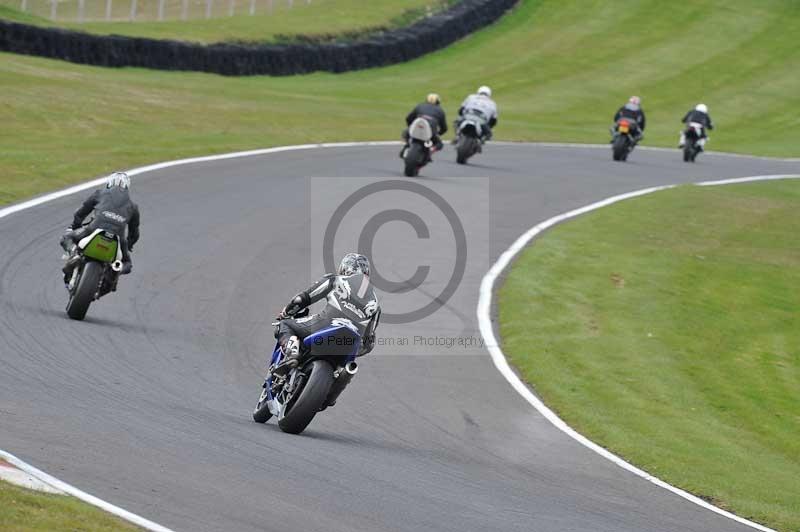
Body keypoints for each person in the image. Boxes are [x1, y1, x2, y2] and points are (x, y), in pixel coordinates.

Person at [275, 253, 381, 370]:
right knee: (344, 369)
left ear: (344, 268)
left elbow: (301, 299)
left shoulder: (336, 279)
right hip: (350, 343)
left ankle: (293, 352)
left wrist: (286, 313)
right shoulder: (375, 303)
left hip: (327, 324)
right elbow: (368, 342)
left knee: (284, 324)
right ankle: (342, 373)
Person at [60, 172, 140, 281]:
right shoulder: (133, 207)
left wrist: (75, 226)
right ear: (127, 187)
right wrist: (128, 246)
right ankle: (116, 270)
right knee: (127, 264)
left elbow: (80, 213)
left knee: (66, 237)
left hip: (93, 229)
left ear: (109, 183)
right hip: (118, 238)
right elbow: (134, 233)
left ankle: (74, 254)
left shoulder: (100, 193)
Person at [401, 93, 448, 157]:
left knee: (405, 133)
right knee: (439, 144)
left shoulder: (420, 106)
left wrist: (411, 126)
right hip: (430, 132)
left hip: (417, 127)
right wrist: (438, 133)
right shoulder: (440, 111)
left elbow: (408, 118)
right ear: (438, 102)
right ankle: (431, 150)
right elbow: (444, 128)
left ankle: (407, 146)